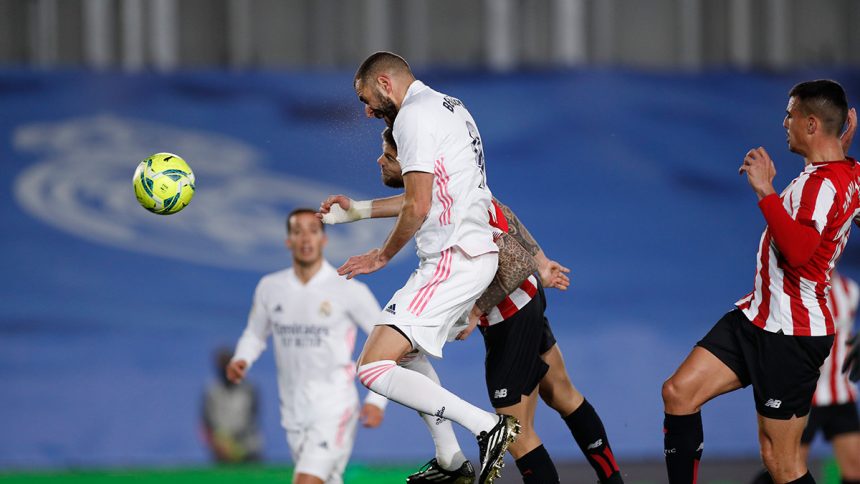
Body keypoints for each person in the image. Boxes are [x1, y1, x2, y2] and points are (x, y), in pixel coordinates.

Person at [322, 127, 625, 484]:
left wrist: (478, 310)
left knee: (514, 433)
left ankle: (465, 446)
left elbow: (513, 259)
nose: (379, 160)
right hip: (526, 298)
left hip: (509, 314)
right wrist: (356, 211)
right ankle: (613, 481)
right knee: (561, 393)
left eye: (388, 156)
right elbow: (503, 213)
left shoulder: (448, 197)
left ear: (409, 162)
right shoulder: (452, 185)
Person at [329, 51, 519, 484]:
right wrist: (355, 211)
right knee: (405, 352)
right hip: (467, 255)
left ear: (384, 82)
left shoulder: (412, 117)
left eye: (366, 98)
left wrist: (379, 256)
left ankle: (488, 428)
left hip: (453, 259)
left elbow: (418, 206)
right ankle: (450, 460)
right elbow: (432, 193)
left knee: (372, 368)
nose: (367, 111)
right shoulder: (450, 106)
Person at [661, 79, 859, 484]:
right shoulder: (847, 174)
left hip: (793, 335)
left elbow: (800, 254)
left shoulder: (822, 185)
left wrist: (765, 191)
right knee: (679, 393)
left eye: (790, 114)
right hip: (757, 317)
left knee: (781, 462)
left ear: (811, 125)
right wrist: (841, 145)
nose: (783, 121)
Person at [226, 209, 388, 484]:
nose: (305, 238)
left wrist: (377, 400)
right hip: (293, 410)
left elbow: (386, 338)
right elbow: (254, 334)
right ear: (288, 240)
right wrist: (241, 358)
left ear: (324, 239)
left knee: (306, 481)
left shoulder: (347, 288)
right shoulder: (270, 287)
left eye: (313, 231)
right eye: (297, 231)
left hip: (334, 404)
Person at [751, 272, 860, 484]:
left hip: (840, 392)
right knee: (784, 468)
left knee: (855, 468)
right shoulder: (792, 292)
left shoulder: (850, 291)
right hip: (803, 395)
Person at [201, 347, 263, 464]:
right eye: (222, 367)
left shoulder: (249, 389)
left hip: (249, 451)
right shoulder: (211, 391)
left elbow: (252, 419)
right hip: (221, 453)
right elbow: (206, 422)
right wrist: (220, 444)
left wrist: (236, 446)